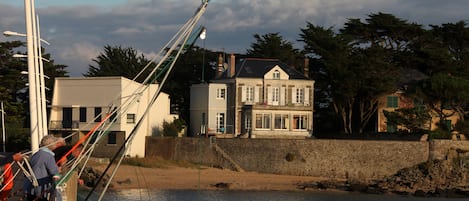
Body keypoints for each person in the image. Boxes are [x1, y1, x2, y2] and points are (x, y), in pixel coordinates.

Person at [23, 135, 61, 201]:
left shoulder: (36, 154)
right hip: (41, 189)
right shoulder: (48, 156)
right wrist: (58, 171)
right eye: (55, 142)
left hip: (31, 189)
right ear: (51, 144)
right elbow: (54, 172)